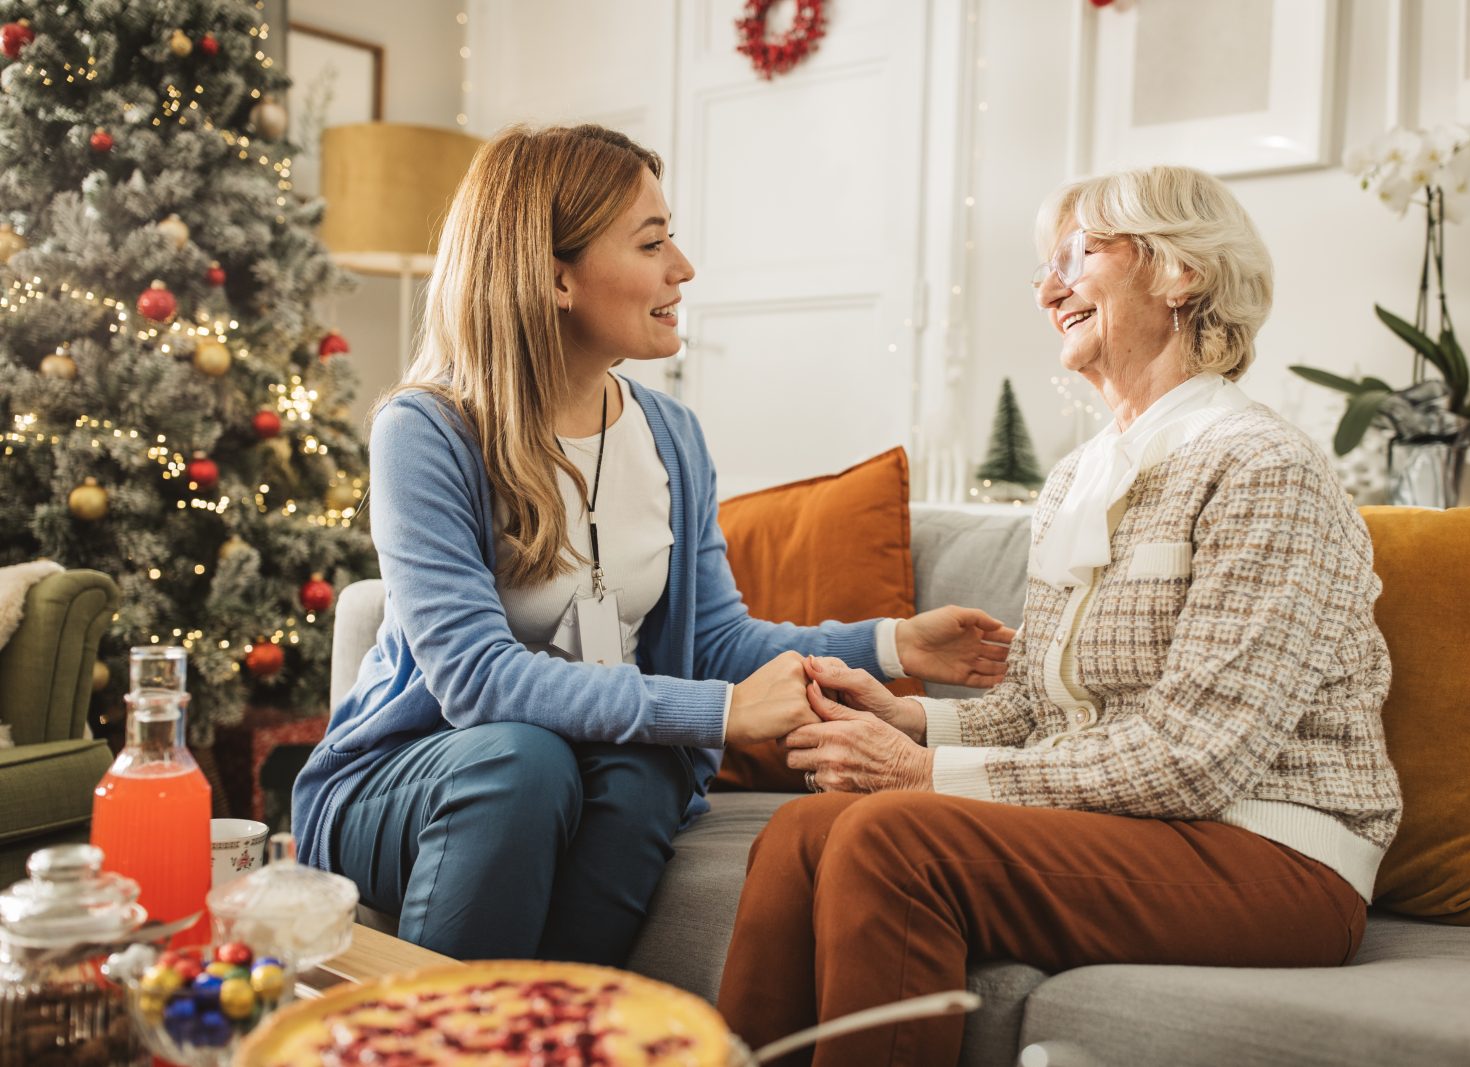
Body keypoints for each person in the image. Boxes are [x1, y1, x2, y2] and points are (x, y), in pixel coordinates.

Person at [716, 165, 1404, 1067]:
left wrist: (924, 773)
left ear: (1180, 272)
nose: (1047, 289)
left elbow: (1197, 757)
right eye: (1045, 267)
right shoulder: (1077, 480)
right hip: (1140, 826)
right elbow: (1042, 711)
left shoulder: (1264, 466)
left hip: (1271, 850)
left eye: (1077, 255)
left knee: (893, 835)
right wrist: (905, 715)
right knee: (803, 829)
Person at [290, 124, 1014, 964]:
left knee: (647, 773)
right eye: (652, 241)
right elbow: (473, 680)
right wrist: (722, 712)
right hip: (404, 778)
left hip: (560, 772)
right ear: (555, 274)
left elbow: (715, 640)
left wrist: (893, 640)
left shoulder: (671, 436)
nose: (684, 267)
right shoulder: (429, 428)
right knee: (524, 762)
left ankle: (563, 1032)